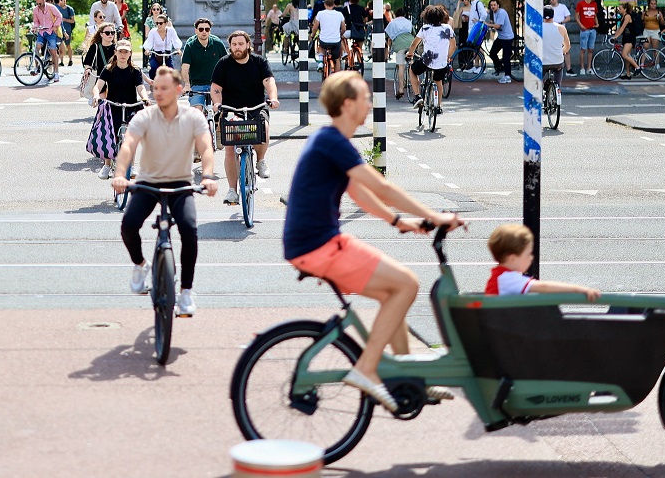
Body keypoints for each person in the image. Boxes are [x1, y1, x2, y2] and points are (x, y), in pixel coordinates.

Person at [284, 71, 466, 411]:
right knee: (407, 284)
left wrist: (400, 222)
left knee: (391, 292)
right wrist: (436, 216)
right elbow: (381, 187)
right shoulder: (332, 142)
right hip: (319, 245)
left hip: (312, 243)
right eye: (366, 97)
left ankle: (405, 376)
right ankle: (366, 368)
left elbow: (361, 194)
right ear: (348, 104)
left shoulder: (331, 141)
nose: (370, 102)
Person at [112, 66, 218, 316]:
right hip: (148, 182)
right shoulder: (144, 116)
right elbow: (128, 145)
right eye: (155, 88)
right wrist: (119, 174)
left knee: (190, 230)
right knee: (129, 224)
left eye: (163, 89)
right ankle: (140, 265)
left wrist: (208, 176)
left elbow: (206, 149)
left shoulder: (193, 117)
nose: (157, 93)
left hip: (181, 183)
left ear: (178, 90)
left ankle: (187, 292)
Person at [210, 30, 279, 204]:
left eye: (241, 44)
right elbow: (216, 88)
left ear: (248, 45)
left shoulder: (259, 62)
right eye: (234, 44)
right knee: (230, 148)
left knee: (263, 127)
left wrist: (273, 98)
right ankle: (232, 190)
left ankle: (261, 161)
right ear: (230, 46)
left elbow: (269, 81)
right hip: (232, 109)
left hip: (256, 107)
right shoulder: (223, 64)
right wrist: (217, 103)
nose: (237, 47)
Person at [486, 224, 599, 300]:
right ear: (512, 258)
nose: (531, 258)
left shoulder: (499, 277)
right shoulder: (508, 279)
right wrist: (579, 289)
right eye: (528, 254)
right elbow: (544, 287)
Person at [93, 40, 148, 179]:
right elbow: (98, 86)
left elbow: (140, 87)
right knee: (111, 135)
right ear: (115, 52)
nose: (123, 54)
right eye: (120, 51)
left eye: (126, 52)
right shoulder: (109, 69)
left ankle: (132, 165)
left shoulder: (135, 70)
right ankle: (107, 165)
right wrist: (96, 96)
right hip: (113, 106)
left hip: (131, 106)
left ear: (130, 54)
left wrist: (145, 98)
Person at [405, 5, 456, 111]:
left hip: (427, 61)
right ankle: (438, 106)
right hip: (442, 63)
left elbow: (414, 44)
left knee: (412, 70)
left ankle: (417, 96)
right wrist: (447, 57)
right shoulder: (447, 28)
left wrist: (410, 53)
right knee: (439, 82)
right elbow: (453, 46)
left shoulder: (425, 28)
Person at [181, 17, 227, 109]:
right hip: (197, 85)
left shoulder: (218, 43)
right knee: (197, 111)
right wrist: (187, 85)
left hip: (216, 84)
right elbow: (185, 68)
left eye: (207, 29)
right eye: (201, 29)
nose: (204, 32)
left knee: (220, 110)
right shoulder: (190, 46)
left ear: (210, 31)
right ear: (196, 31)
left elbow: (227, 64)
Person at [31, 0, 64, 83]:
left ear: (44, 0)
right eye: (37, 4)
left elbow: (59, 16)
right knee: (37, 47)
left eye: (40, 4)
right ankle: (36, 67)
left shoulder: (51, 7)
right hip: (41, 31)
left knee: (53, 51)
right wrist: (35, 27)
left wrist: (55, 26)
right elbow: (36, 21)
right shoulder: (35, 10)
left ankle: (56, 72)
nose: (39, 6)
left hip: (50, 31)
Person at [311, 0, 347, 76]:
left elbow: (315, 27)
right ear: (334, 5)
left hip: (324, 40)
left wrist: (312, 35)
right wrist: (339, 35)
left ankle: (320, 62)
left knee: (321, 46)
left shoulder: (320, 14)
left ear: (325, 5)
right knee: (337, 59)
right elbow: (344, 28)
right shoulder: (339, 14)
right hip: (336, 41)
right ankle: (337, 78)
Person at [143, 14, 183, 79]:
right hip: (156, 54)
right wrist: (147, 49)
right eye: (157, 23)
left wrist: (178, 49)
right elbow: (149, 41)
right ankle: (153, 82)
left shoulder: (171, 30)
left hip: (167, 54)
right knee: (154, 68)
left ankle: (171, 85)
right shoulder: (153, 31)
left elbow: (175, 40)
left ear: (166, 23)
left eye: (161, 23)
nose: (158, 25)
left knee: (171, 70)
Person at [541, 5, 571, 91]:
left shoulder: (537, 28)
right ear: (553, 15)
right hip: (557, 61)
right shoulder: (561, 28)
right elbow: (568, 46)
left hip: (543, 62)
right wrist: (561, 52)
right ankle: (557, 87)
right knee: (558, 69)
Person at [487, 0, 515, 83]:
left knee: (506, 57)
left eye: (494, 5)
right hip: (501, 37)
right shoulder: (494, 13)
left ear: (498, 5)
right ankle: (499, 67)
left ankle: (508, 76)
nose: (493, 7)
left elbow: (498, 26)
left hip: (507, 37)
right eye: (491, 5)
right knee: (492, 53)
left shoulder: (501, 12)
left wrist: (487, 24)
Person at [574, 0, 601, 77]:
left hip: (592, 29)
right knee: (583, 49)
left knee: (590, 49)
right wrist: (581, 26)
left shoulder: (594, 4)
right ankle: (582, 67)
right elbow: (576, 16)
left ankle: (589, 68)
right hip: (584, 29)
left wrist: (597, 23)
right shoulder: (581, 4)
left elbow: (594, 15)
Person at [613, 1, 643, 79]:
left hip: (630, 38)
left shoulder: (627, 16)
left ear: (625, 9)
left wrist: (616, 37)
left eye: (620, 8)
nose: (619, 10)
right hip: (625, 37)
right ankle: (628, 74)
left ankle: (637, 67)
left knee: (624, 54)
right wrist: (614, 36)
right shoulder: (623, 17)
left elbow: (623, 27)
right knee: (627, 57)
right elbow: (619, 28)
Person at [547, 0, 573, 74]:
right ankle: (551, 68)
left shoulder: (562, 7)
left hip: (561, 31)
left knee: (566, 50)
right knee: (551, 50)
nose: (551, 1)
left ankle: (569, 69)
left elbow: (568, 18)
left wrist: (561, 22)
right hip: (551, 31)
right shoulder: (548, 8)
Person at [345, 0, 368, 69]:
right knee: (360, 45)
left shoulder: (346, 8)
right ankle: (359, 59)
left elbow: (342, 19)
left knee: (342, 38)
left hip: (349, 31)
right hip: (359, 31)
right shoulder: (361, 8)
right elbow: (366, 19)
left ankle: (346, 52)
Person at [55, 0, 76, 68]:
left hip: (67, 30)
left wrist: (64, 19)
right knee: (61, 47)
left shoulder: (69, 9)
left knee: (68, 45)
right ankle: (61, 62)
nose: (65, 1)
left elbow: (73, 21)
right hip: (59, 31)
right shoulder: (57, 8)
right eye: (64, 0)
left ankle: (70, 60)